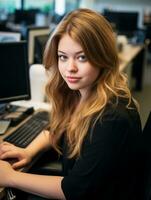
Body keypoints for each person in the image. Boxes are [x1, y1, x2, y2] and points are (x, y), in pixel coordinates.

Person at [0, 8, 142, 200]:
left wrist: (11, 177)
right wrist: (29, 151)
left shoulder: (111, 117)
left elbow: (73, 190)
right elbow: (60, 129)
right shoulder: (82, 92)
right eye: (63, 57)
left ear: (102, 57)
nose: (70, 68)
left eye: (81, 57)